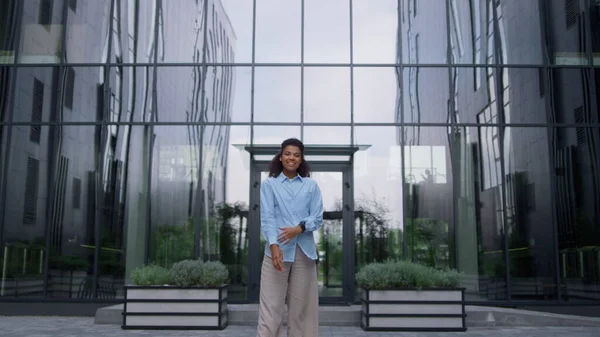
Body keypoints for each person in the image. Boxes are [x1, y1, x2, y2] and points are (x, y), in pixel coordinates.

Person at [256, 138, 324, 337]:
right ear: (281, 157)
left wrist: (299, 228)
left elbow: (317, 217)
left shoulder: (311, 186)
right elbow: (267, 217)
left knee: (302, 312)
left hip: (304, 253)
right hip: (276, 253)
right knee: (270, 309)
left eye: (296, 155)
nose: (291, 158)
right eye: (287, 154)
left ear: (301, 159)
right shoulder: (269, 185)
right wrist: (274, 244)